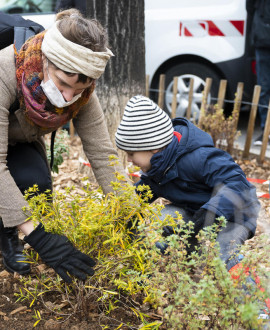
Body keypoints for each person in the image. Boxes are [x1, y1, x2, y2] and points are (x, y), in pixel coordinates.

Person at [0, 9, 128, 283]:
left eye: (78, 89)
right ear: (46, 60)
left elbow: (103, 154)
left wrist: (129, 214)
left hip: (20, 139)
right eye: (63, 84)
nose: (68, 97)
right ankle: (8, 236)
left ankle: (12, 225)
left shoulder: (82, 95)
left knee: (35, 184)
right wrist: (39, 237)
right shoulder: (4, 74)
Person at [115, 95, 260, 273]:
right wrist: (120, 212)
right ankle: (190, 254)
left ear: (153, 145)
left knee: (222, 255)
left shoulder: (198, 157)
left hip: (233, 215)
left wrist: (212, 211)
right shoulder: (157, 168)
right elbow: (139, 195)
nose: (129, 160)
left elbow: (236, 182)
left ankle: (256, 294)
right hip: (195, 214)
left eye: (131, 153)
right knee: (153, 223)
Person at [246, 0, 270, 146]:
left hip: (261, 40)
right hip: (262, 41)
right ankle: (266, 131)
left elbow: (249, 9)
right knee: (263, 89)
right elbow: (249, 8)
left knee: (264, 89)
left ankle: (265, 132)